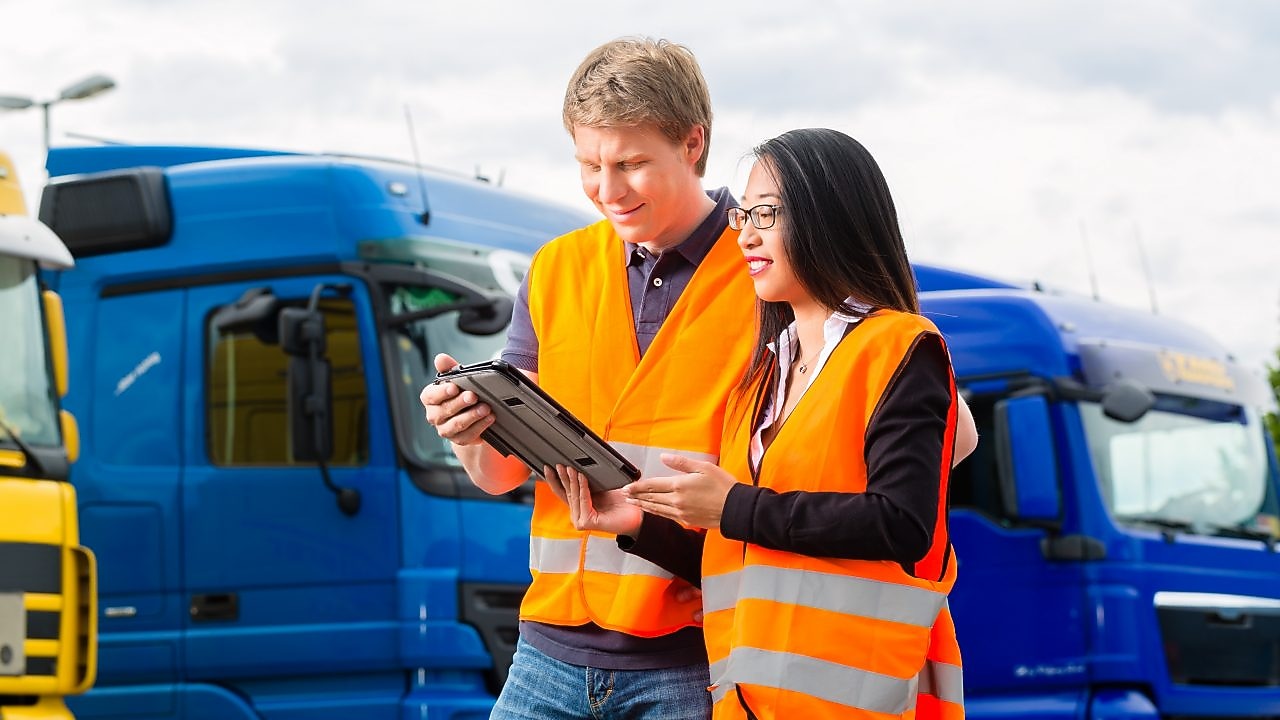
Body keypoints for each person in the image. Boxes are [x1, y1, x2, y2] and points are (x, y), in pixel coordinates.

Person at [549, 128, 967, 719]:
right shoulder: (763, 376)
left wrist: (735, 506)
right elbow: (748, 560)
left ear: (829, 216)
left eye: (764, 214)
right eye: (743, 214)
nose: (743, 234)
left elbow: (903, 525)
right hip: (746, 703)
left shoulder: (900, 347)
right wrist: (641, 525)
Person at [420, 36, 759, 719]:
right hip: (547, 653)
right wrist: (464, 430)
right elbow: (497, 473)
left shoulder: (767, 269)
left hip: (694, 657)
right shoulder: (555, 270)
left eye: (631, 163)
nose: (607, 190)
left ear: (693, 143)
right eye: (589, 164)